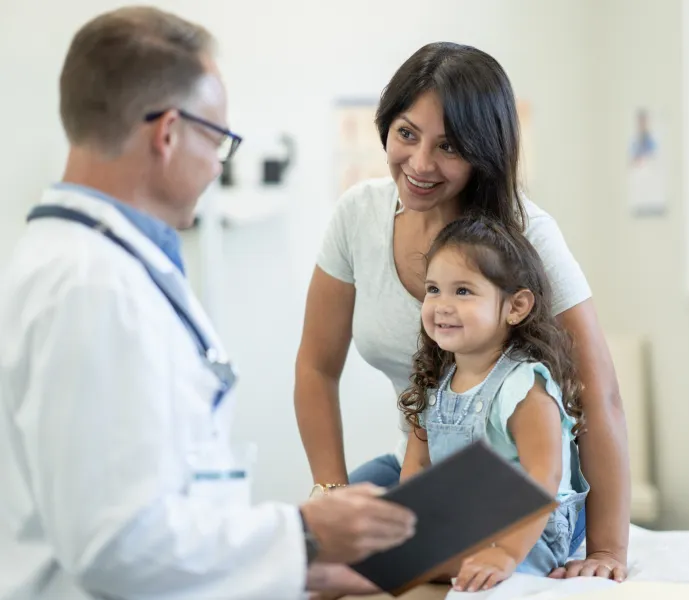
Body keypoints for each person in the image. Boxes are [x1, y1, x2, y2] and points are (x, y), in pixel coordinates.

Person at [0, 7, 415, 600]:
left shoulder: (96, 266)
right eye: (218, 140)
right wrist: (303, 532)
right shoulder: (91, 286)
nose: (218, 166)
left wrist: (300, 572)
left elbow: (148, 513)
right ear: (168, 134)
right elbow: (115, 544)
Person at [294, 41, 631, 579]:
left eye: (448, 146)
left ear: (483, 151)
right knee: (302, 556)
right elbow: (316, 367)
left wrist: (608, 551)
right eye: (407, 133)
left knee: (375, 572)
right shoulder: (358, 215)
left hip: (520, 491)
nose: (420, 163)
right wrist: (332, 494)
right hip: (426, 468)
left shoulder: (527, 236)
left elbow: (599, 393)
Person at [399, 215, 590, 591]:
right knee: (368, 551)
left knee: (412, 564)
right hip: (465, 522)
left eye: (463, 291)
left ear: (515, 307)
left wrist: (505, 552)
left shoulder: (523, 386)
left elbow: (544, 477)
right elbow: (416, 468)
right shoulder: (436, 383)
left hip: (526, 529)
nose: (442, 305)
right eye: (434, 289)